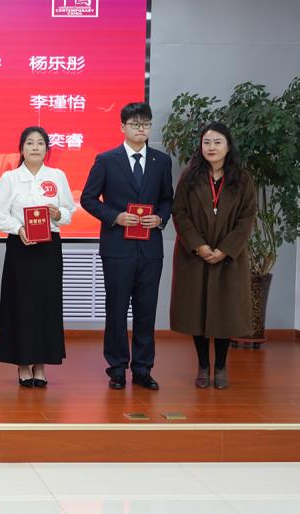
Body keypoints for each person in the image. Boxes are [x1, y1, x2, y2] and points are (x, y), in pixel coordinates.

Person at [80, 102, 173, 390]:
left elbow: (167, 200)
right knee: (116, 310)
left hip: (150, 249)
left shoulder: (161, 161)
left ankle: (143, 369)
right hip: (117, 248)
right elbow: (88, 199)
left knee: (146, 310)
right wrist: (115, 216)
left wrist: (160, 218)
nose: (141, 128)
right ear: (122, 127)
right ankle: (117, 369)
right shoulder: (106, 160)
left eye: (145, 124)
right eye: (135, 124)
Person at [170, 123, 256, 390]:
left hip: (229, 257)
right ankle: (202, 366)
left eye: (218, 142)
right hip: (194, 256)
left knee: (224, 312)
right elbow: (179, 212)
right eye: (206, 142)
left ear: (228, 147)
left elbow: (247, 218)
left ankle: (220, 367)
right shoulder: (190, 176)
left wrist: (226, 249)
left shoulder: (242, 178)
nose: (211, 147)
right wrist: (198, 245)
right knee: (196, 312)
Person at [0, 127, 76, 387]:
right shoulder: (10, 178)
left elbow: (69, 210)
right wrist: (19, 228)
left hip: (49, 248)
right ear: (21, 149)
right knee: (21, 304)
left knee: (46, 305)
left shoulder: (57, 176)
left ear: (47, 149)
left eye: (40, 143)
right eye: (30, 143)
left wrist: (58, 214)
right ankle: (22, 364)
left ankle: (41, 365)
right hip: (20, 247)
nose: (35, 147)